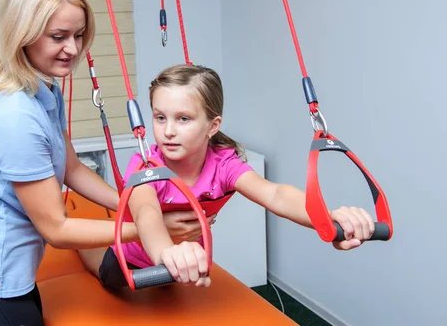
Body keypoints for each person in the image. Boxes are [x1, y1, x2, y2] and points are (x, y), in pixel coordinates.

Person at [0, 0, 210, 326]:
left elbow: (72, 168)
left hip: (13, 277)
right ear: (23, 34)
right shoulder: (14, 115)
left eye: (79, 35)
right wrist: (151, 228)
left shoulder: (43, 91)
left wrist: (140, 209)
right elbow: (57, 229)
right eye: (58, 36)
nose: (74, 49)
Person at [79, 64, 378, 290]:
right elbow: (145, 213)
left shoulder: (223, 164)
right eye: (160, 117)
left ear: (212, 126)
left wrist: (329, 218)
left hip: (178, 263)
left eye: (183, 119)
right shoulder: (146, 165)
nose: (168, 131)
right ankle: (78, 241)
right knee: (93, 263)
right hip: (129, 262)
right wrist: (168, 254)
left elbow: (274, 194)